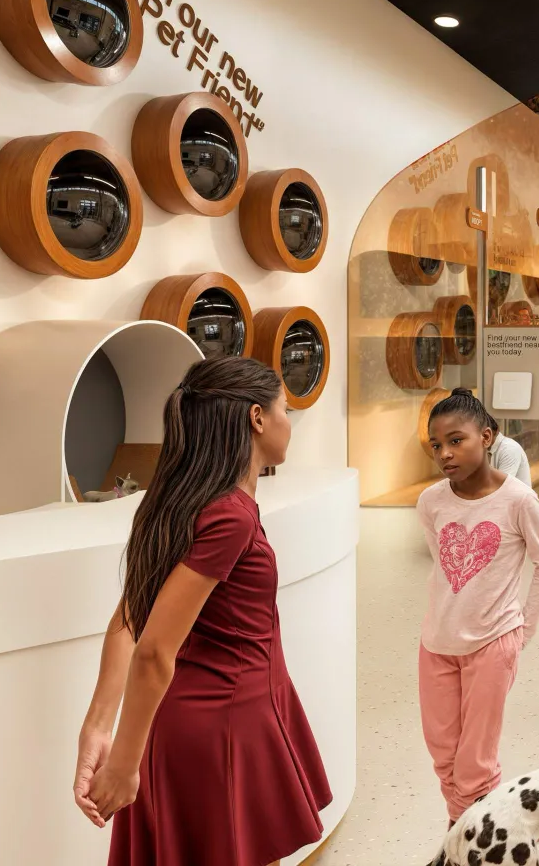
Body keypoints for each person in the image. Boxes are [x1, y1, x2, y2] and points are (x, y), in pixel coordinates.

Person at [74, 357, 331, 866]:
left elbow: (129, 619)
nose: (288, 421)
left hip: (199, 722)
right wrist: (124, 760)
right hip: (224, 728)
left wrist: (99, 729)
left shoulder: (185, 500)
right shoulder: (229, 515)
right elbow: (151, 651)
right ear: (257, 418)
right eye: (284, 408)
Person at [416, 387, 539, 824]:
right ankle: (467, 831)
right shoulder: (431, 502)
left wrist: (522, 632)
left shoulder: (518, 500)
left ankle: (469, 841)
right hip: (436, 644)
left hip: (493, 644)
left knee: (474, 766)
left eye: (456, 440)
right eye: (437, 445)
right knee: (444, 758)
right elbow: (445, 567)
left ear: (488, 436)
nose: (445, 453)